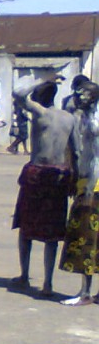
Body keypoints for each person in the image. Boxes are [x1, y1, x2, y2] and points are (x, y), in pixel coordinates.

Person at [8, 80, 75, 298]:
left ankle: (25, 275)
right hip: (59, 174)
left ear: (39, 95)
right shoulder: (68, 117)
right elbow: (75, 152)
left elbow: (18, 93)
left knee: (26, 229)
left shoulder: (40, 112)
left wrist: (41, 79)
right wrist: (74, 178)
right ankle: (47, 283)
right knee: (52, 234)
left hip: (38, 173)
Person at [58, 81, 99, 305]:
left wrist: (89, 187)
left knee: (88, 239)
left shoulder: (93, 120)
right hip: (86, 180)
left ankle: (86, 293)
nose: (81, 97)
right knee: (86, 237)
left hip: (94, 185)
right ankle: (86, 290)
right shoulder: (82, 116)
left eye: (86, 94)